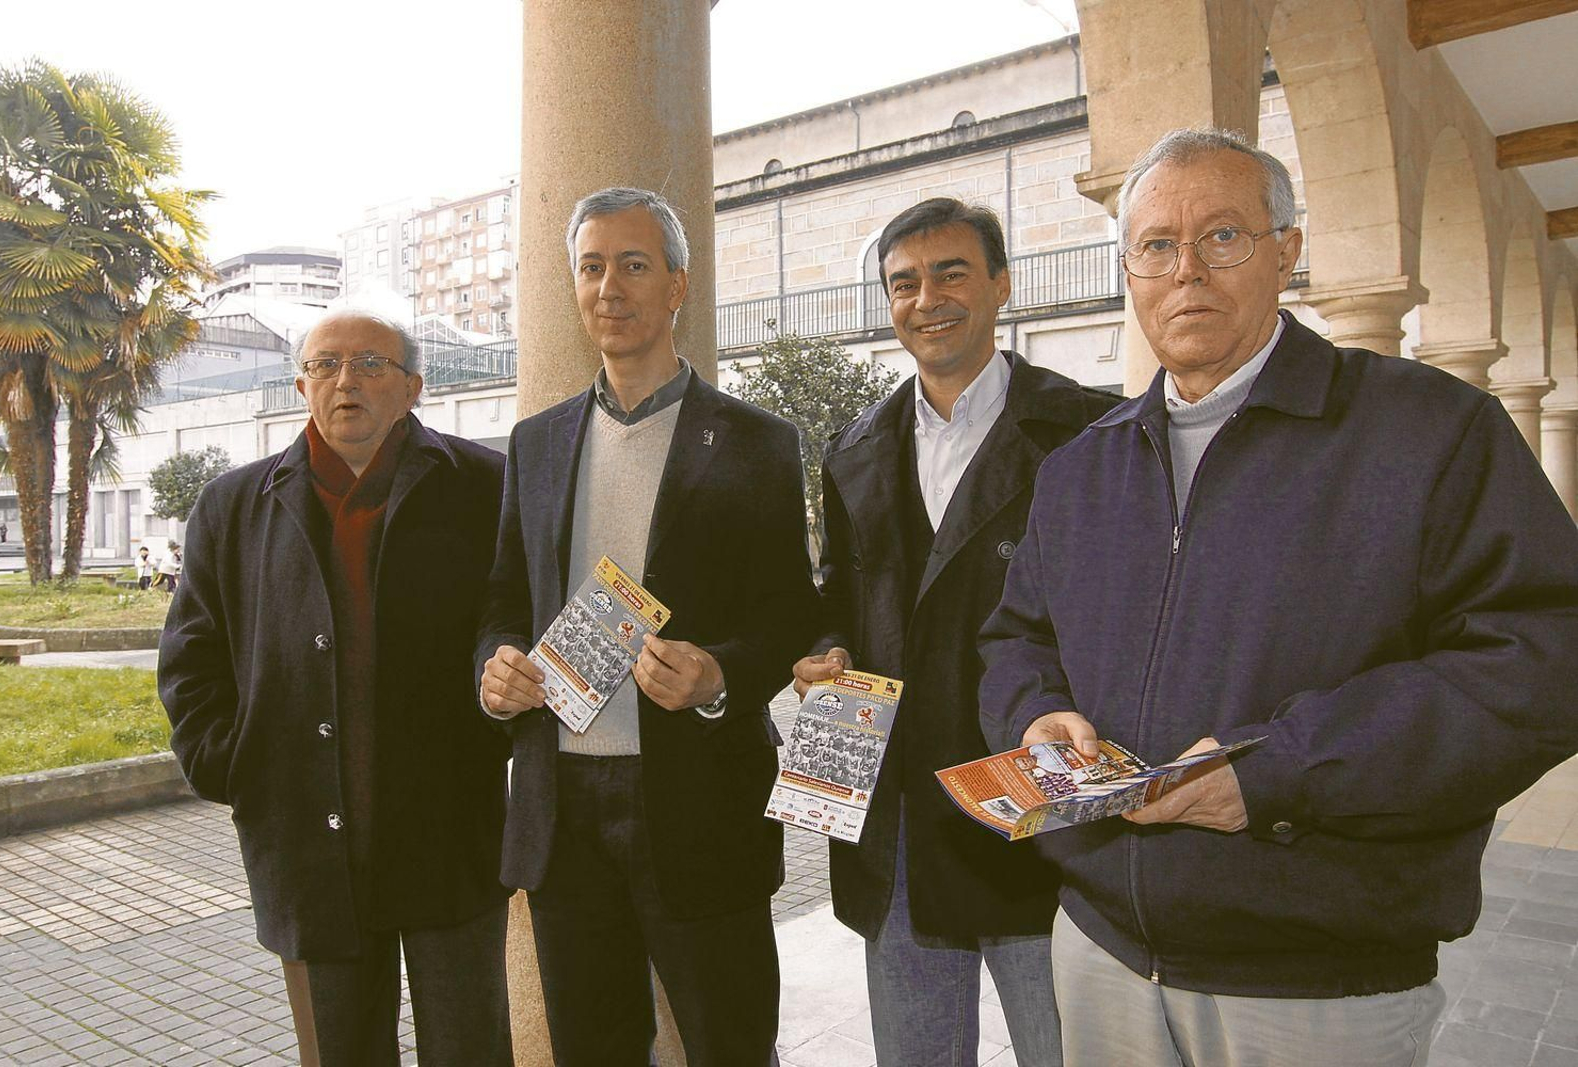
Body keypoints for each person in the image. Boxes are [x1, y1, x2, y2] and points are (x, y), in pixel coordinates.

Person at [978, 126, 1578, 1066]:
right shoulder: (1078, 470)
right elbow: (1016, 636)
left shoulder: (1429, 431)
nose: (1188, 272)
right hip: (1098, 954)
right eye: (1157, 247)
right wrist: (1037, 712)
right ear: (1128, 272)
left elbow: (1544, 662)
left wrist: (1278, 769)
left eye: (1224, 237)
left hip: (1315, 984)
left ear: (1288, 251)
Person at [477, 186, 817, 1066]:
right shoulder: (536, 443)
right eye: (591, 267)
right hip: (563, 811)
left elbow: (788, 612)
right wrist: (498, 664)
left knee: (731, 1043)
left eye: (633, 264)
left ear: (676, 287)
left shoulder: (757, 441)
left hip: (700, 800)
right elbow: (505, 602)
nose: (609, 286)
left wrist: (717, 676)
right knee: (593, 1048)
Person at [792, 197, 1117, 1067]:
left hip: (1037, 809)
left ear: (1001, 286)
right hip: (897, 819)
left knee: (1069, 1050)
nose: (926, 297)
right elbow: (839, 596)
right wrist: (827, 652)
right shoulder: (854, 448)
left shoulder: (1089, 431)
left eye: (951, 273)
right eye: (904, 282)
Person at [159, 310, 513, 1066]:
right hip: (306, 841)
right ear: (300, 385)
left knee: (472, 1046)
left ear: (415, 386)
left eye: (370, 364)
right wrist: (230, 763)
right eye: (325, 365)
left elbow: (517, 621)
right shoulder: (233, 506)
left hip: (451, 833)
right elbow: (191, 658)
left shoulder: (484, 485)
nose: (345, 380)